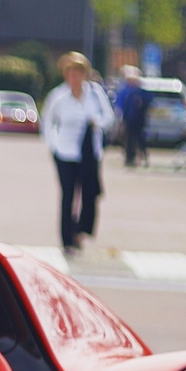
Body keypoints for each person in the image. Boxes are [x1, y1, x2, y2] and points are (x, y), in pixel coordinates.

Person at [40, 52, 117, 250]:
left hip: (89, 152)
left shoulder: (95, 93)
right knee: (68, 195)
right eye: (71, 73)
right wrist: (53, 145)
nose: (75, 77)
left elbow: (108, 117)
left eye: (79, 72)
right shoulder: (58, 96)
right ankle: (67, 238)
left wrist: (96, 123)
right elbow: (48, 122)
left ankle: (81, 230)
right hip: (65, 152)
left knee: (89, 193)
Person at [114, 64, 150, 167]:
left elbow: (148, 102)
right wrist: (121, 118)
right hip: (128, 120)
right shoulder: (126, 91)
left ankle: (143, 156)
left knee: (140, 139)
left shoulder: (142, 92)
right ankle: (130, 158)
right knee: (129, 139)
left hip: (139, 120)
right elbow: (120, 104)